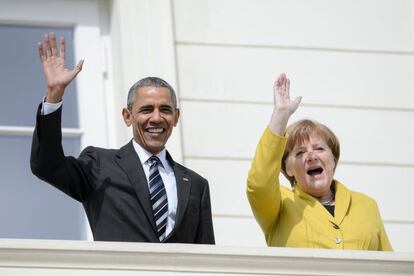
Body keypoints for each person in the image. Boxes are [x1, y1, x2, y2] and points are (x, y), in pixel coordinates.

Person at [30, 32, 215, 244]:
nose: (156, 118)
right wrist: (54, 95)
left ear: (176, 117)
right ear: (128, 117)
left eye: (165, 109)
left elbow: (206, 255)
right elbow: (46, 166)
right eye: (146, 110)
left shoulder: (196, 184)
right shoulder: (99, 165)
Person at [246, 73, 392, 250]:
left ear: (333, 159)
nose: (311, 156)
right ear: (288, 168)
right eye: (300, 153)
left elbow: (388, 264)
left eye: (319, 149)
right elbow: (259, 184)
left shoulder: (367, 205)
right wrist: (281, 115)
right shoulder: (280, 205)